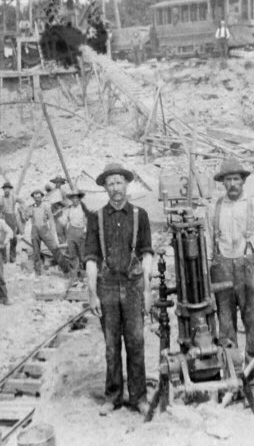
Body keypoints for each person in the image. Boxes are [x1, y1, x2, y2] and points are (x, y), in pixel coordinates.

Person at [84, 163, 154, 417]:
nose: (115, 187)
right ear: (105, 187)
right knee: (112, 345)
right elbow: (91, 258)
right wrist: (92, 293)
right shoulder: (96, 218)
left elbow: (147, 254)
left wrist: (147, 290)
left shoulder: (140, 215)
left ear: (127, 184)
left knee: (136, 341)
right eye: (110, 183)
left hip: (134, 285)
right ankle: (113, 396)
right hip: (108, 287)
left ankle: (139, 397)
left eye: (119, 182)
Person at [206, 157, 254, 364]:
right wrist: (207, 290)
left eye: (236, 179)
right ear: (222, 182)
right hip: (222, 273)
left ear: (243, 181)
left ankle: (253, 373)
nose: (232, 184)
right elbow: (208, 254)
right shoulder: (213, 209)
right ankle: (232, 373)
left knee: (252, 322)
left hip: (248, 274)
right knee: (225, 326)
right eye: (228, 179)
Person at [24, 188, 63, 276]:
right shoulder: (32, 207)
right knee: (36, 252)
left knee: (54, 248)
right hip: (35, 230)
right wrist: (24, 211)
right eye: (35, 197)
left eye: (39, 197)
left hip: (44, 229)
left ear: (42, 197)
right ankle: (38, 272)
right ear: (33, 198)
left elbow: (51, 219)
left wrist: (53, 231)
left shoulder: (46, 206)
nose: (37, 198)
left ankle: (66, 269)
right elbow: (26, 217)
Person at [64, 187, 89, 277]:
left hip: (81, 231)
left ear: (79, 199)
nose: (75, 200)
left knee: (82, 254)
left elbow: (87, 220)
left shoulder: (83, 208)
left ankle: (83, 274)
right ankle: (73, 275)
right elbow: (66, 220)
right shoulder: (69, 209)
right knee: (72, 254)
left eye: (76, 198)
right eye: (73, 198)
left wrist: (85, 231)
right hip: (71, 232)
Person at [0, 181, 23, 263]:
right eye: (5, 189)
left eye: (8, 189)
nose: (6, 190)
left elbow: (22, 201)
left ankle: (12, 257)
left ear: (10, 189)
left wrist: (20, 209)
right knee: (3, 239)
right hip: (4, 220)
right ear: (3, 190)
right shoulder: (0, 199)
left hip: (12, 219)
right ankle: (4, 258)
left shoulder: (14, 197)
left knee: (13, 239)